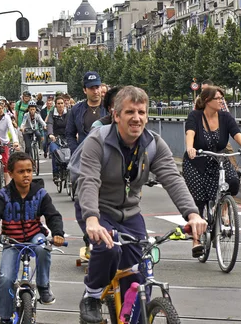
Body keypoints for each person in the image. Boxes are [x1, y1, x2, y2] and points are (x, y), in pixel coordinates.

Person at [76, 86, 206, 323]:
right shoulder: (97, 141)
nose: (136, 118)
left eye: (141, 112)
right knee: (109, 247)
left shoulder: (153, 144)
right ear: (116, 116)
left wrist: (192, 214)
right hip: (97, 208)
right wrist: (92, 219)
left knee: (138, 276)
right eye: (129, 112)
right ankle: (92, 295)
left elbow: (172, 179)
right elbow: (89, 181)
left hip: (130, 213)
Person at [0, 152, 65, 324]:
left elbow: (53, 215)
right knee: (6, 278)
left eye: (29, 170)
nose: (26, 175)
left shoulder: (40, 193)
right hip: (11, 241)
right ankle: (5, 317)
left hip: (35, 236)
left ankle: (43, 287)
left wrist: (57, 234)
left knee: (43, 249)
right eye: (21, 172)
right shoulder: (4, 195)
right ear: (11, 174)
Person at [183, 86, 241, 256]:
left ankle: (223, 208)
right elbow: (190, 133)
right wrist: (190, 148)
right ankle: (196, 240)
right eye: (218, 98)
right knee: (199, 200)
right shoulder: (195, 116)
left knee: (233, 181)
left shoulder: (225, 117)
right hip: (197, 162)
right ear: (207, 101)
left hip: (218, 160)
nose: (222, 101)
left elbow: (236, 133)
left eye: (223, 98)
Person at [65, 72, 107, 154]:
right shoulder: (76, 110)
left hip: (106, 155)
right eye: (91, 88)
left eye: (97, 87)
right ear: (85, 90)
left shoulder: (109, 108)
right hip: (84, 155)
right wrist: (76, 151)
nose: (95, 91)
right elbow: (70, 134)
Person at [46, 95, 69, 184]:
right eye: (58, 103)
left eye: (62, 103)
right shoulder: (52, 113)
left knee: (72, 151)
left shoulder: (69, 113)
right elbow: (50, 124)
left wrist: (76, 133)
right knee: (54, 151)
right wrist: (51, 134)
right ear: (55, 105)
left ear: (64, 104)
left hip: (67, 137)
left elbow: (73, 124)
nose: (60, 105)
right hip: (55, 137)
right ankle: (56, 173)